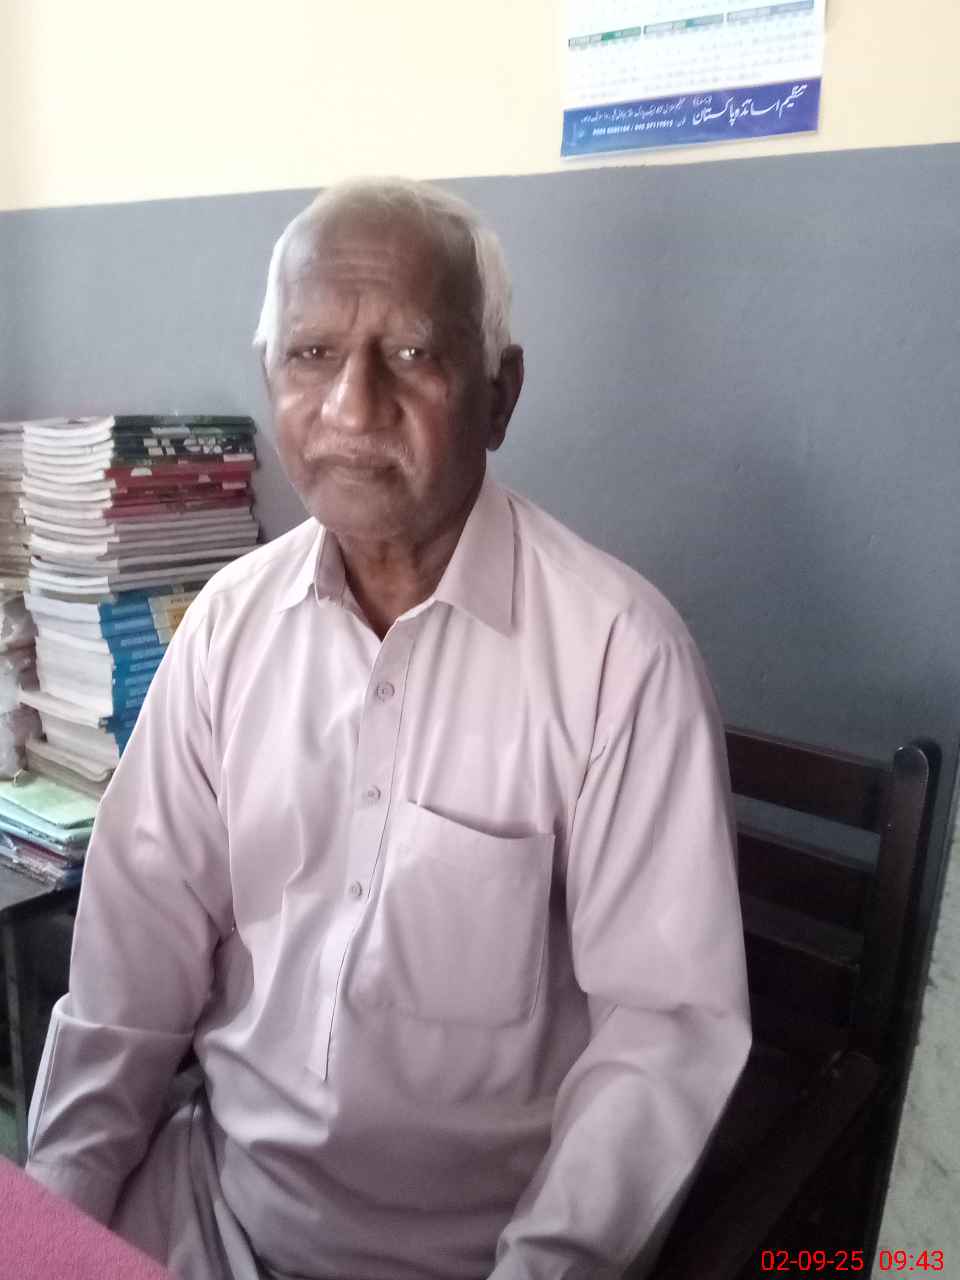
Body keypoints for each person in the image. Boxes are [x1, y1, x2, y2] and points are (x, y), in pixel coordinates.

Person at [26, 178, 751, 1280]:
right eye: (312, 354)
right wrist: (55, 1226)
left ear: (500, 395)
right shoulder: (228, 624)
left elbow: (662, 1036)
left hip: (475, 1255)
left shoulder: (620, 657)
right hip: (216, 1207)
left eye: (411, 353)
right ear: (271, 379)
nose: (353, 406)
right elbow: (132, 960)